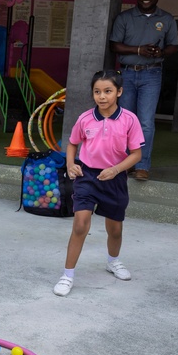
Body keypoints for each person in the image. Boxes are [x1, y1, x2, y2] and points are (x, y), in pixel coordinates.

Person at [53, 70, 144, 298]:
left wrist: (116, 169)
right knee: (80, 224)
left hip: (115, 178)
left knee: (115, 229)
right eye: (97, 91)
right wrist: (71, 164)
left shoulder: (129, 119)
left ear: (119, 92)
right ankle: (67, 275)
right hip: (87, 176)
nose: (102, 96)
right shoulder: (85, 118)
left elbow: (136, 154)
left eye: (108, 91)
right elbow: (72, 144)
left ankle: (113, 261)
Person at [108, 0, 178, 182]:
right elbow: (114, 46)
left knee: (146, 122)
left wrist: (161, 52)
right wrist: (138, 50)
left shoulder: (166, 19)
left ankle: (141, 165)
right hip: (127, 73)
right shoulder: (125, 17)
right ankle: (124, 164)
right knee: (125, 121)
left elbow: (174, 46)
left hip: (152, 74)